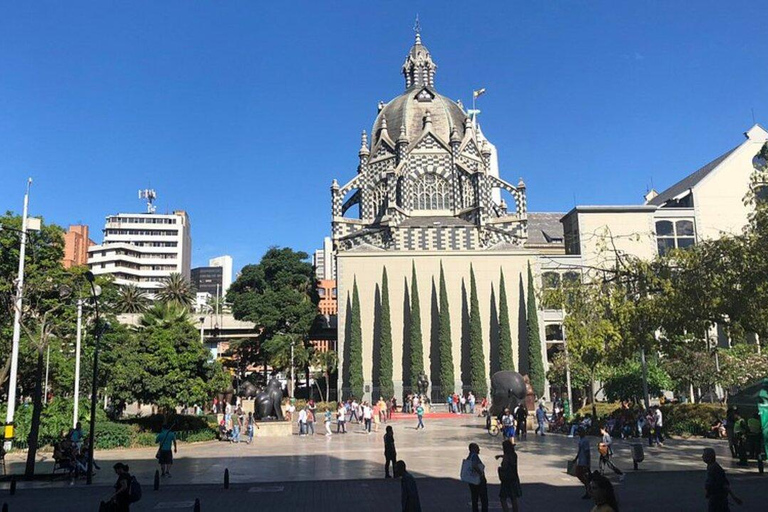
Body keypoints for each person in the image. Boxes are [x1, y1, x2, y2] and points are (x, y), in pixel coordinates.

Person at [496, 439, 521, 512]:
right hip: (514, 478)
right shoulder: (514, 455)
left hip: (507, 479)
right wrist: (501, 456)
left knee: (502, 498)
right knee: (513, 498)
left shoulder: (506, 457)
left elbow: (505, 466)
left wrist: (499, 468)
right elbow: (508, 457)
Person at [466, 442, 488, 512]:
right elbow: (474, 465)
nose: (479, 449)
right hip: (478, 480)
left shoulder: (469, 457)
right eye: (477, 448)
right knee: (483, 498)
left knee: (474, 498)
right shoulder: (474, 456)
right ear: (473, 449)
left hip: (471, 480)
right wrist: (480, 473)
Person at [573, 427, 591, 499]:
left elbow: (587, 452)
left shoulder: (585, 441)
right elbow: (580, 450)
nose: (579, 434)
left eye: (580, 432)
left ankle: (588, 489)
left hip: (584, 461)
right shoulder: (581, 440)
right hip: (581, 460)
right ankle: (588, 488)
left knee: (581, 474)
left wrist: (588, 463)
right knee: (580, 474)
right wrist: (576, 458)